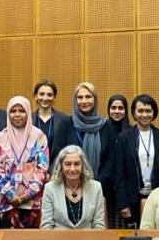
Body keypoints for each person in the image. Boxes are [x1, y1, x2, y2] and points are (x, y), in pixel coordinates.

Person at [51, 82, 119, 227]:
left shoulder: (106, 126)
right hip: (68, 188)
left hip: (99, 189)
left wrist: (94, 184)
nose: (84, 101)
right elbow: (59, 156)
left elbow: (111, 159)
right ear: (75, 101)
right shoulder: (66, 124)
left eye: (88, 97)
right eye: (80, 97)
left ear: (95, 99)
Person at [0, 96, 50, 228]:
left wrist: (25, 195)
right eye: (13, 111)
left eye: (21, 111)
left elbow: (42, 169)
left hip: (32, 205)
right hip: (6, 204)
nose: (17, 114)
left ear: (28, 112)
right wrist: (10, 194)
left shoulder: (39, 137)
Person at [113, 94, 159, 228]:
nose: (144, 115)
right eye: (140, 111)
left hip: (158, 195)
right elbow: (119, 172)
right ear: (133, 113)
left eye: (148, 111)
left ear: (154, 113)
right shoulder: (123, 138)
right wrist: (123, 203)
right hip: (132, 197)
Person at [41, 145, 106, 229]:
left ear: (83, 166)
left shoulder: (96, 187)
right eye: (68, 164)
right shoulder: (50, 189)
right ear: (61, 166)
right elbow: (46, 226)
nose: (72, 169)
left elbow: (99, 225)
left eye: (77, 164)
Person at [31, 80, 71, 150]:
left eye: (49, 95)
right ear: (35, 96)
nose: (45, 98)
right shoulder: (28, 119)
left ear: (54, 97)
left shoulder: (64, 119)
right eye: (41, 94)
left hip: (57, 160)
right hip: (34, 160)